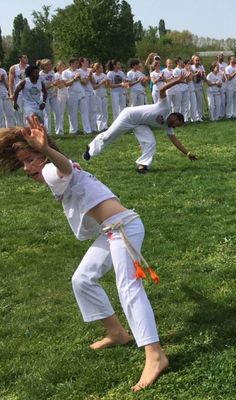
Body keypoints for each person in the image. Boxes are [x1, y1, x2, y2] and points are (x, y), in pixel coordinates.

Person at [0, 115, 168, 392]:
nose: (28, 167)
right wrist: (42, 151)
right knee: (82, 279)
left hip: (124, 229)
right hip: (111, 231)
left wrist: (45, 150)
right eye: (24, 163)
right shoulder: (54, 170)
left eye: (32, 158)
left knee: (128, 286)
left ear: (43, 154)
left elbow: (61, 166)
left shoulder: (53, 170)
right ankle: (117, 333)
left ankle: (156, 355)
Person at [82, 73, 197, 173]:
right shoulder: (165, 107)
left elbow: (175, 141)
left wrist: (187, 153)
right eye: (176, 123)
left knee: (151, 142)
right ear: (175, 116)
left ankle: (142, 165)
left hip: (141, 124)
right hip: (128, 116)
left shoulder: (168, 126)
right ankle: (90, 149)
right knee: (109, 136)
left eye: (176, 126)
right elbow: (162, 90)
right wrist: (177, 81)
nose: (174, 126)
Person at [8, 54, 29, 125]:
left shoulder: (29, 67)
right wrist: (11, 94)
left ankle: (26, 129)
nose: (27, 59)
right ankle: (19, 128)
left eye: (27, 57)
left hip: (27, 92)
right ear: (20, 59)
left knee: (26, 112)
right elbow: (10, 82)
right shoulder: (13, 68)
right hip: (17, 93)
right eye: (25, 57)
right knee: (18, 111)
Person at [0, 60, 15, 128]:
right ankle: (1, 133)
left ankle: (10, 132)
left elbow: (7, 85)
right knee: (1, 116)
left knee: (10, 114)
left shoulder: (3, 71)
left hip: (5, 94)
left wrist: (9, 93)